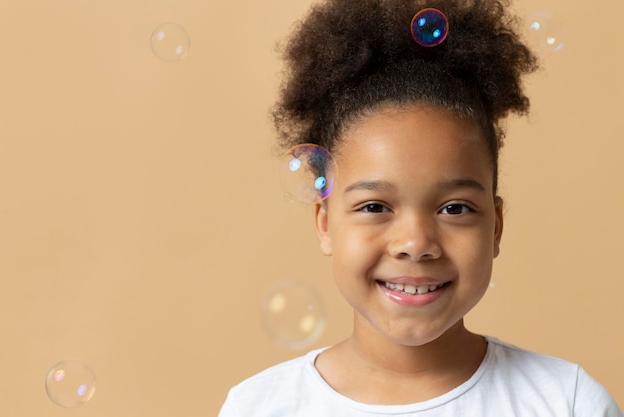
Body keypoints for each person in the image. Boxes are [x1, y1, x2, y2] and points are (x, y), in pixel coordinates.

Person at [218, 0, 623, 415]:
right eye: (375, 205)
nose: (415, 243)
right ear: (324, 223)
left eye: (455, 209)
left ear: (496, 227)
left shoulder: (569, 402)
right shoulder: (260, 406)